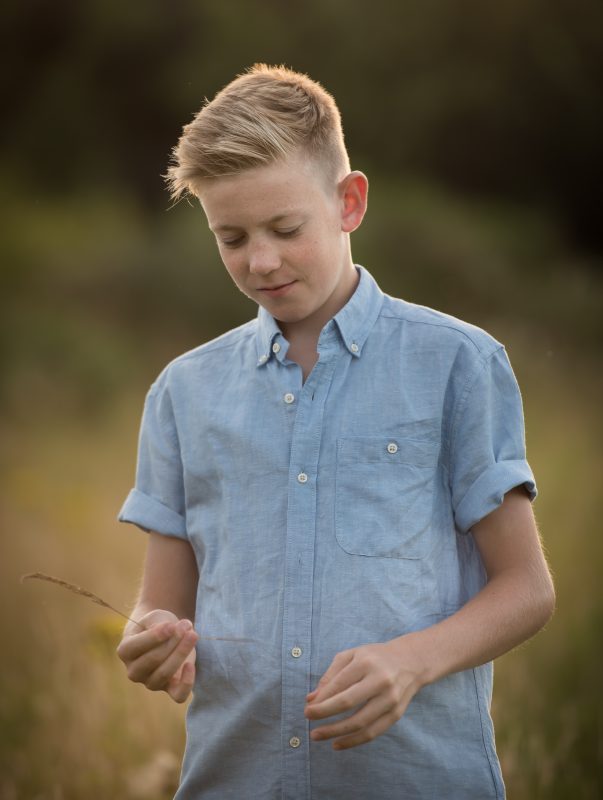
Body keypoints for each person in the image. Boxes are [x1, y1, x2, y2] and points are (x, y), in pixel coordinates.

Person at [116, 64, 555, 799]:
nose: (260, 260)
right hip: (236, 779)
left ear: (348, 202)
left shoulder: (455, 363)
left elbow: (527, 589)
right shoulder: (182, 393)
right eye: (230, 237)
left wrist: (413, 659)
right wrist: (150, 640)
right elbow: (162, 603)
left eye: (286, 229)